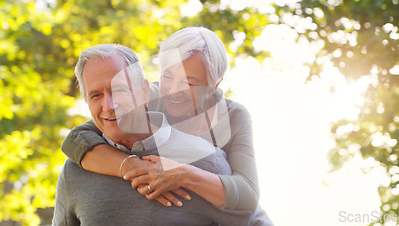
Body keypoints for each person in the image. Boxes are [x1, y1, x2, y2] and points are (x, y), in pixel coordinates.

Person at [53, 44, 259, 225]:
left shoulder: (208, 162)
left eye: (119, 90)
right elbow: (75, 138)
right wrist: (129, 165)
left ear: (144, 91)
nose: (108, 106)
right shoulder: (75, 172)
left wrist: (186, 176)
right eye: (95, 95)